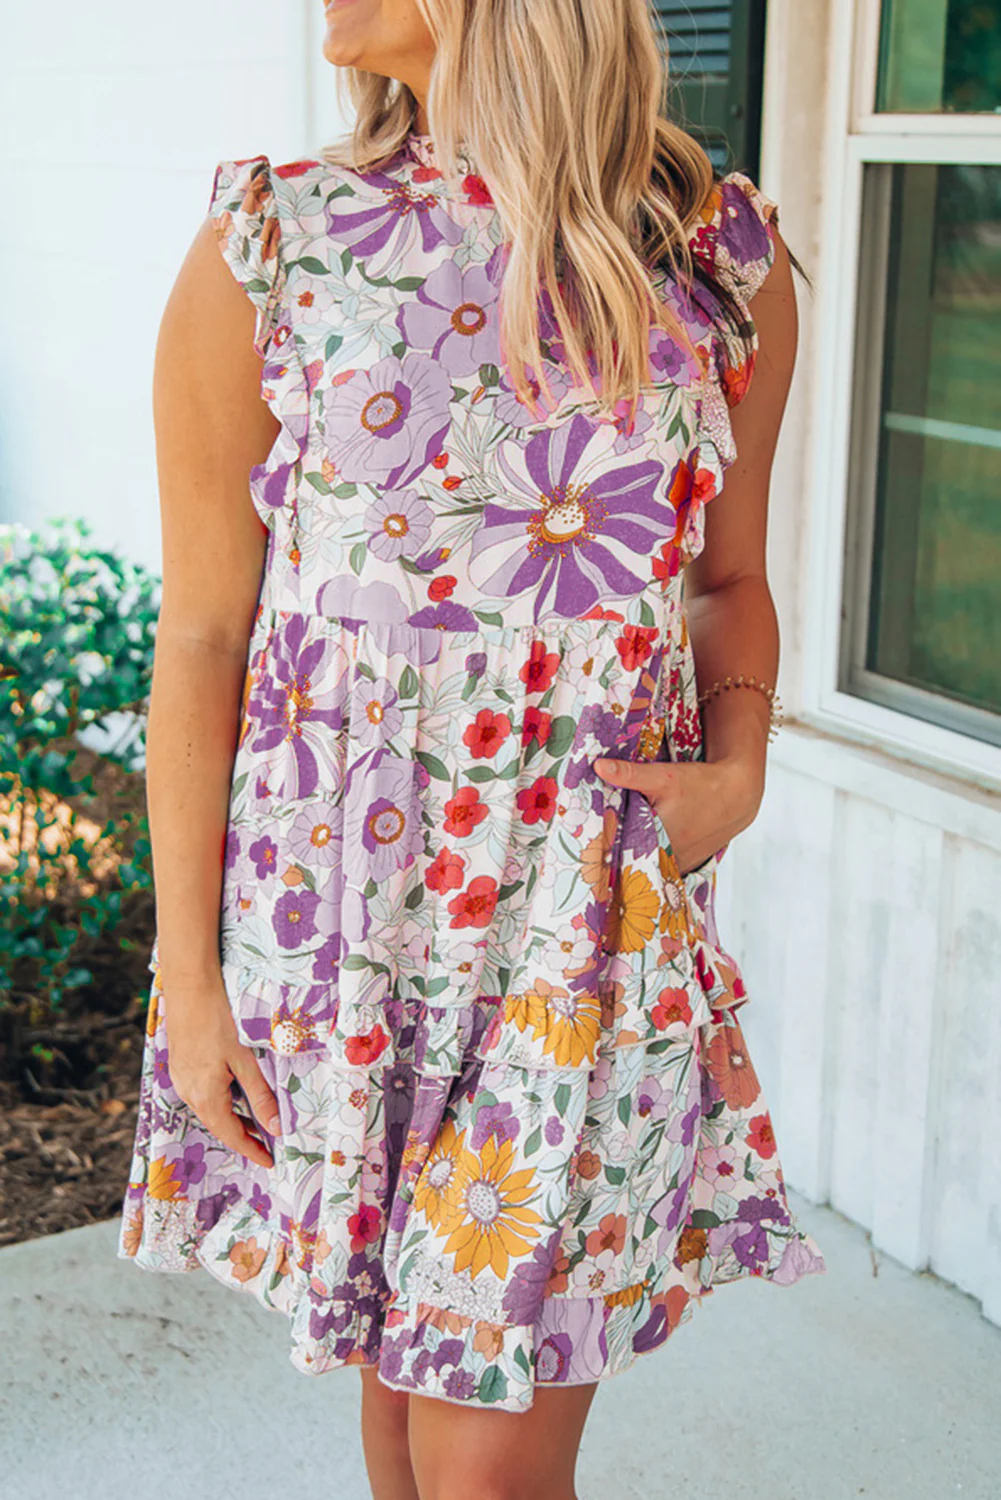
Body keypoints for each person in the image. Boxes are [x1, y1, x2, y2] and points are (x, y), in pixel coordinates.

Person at [117, 1, 827, 1495]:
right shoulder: (274, 242)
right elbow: (200, 642)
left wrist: (742, 770)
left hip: (582, 937)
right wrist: (189, 980)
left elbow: (730, 584)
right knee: (394, 1413)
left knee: (486, 1465)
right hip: (340, 939)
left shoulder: (709, 257)